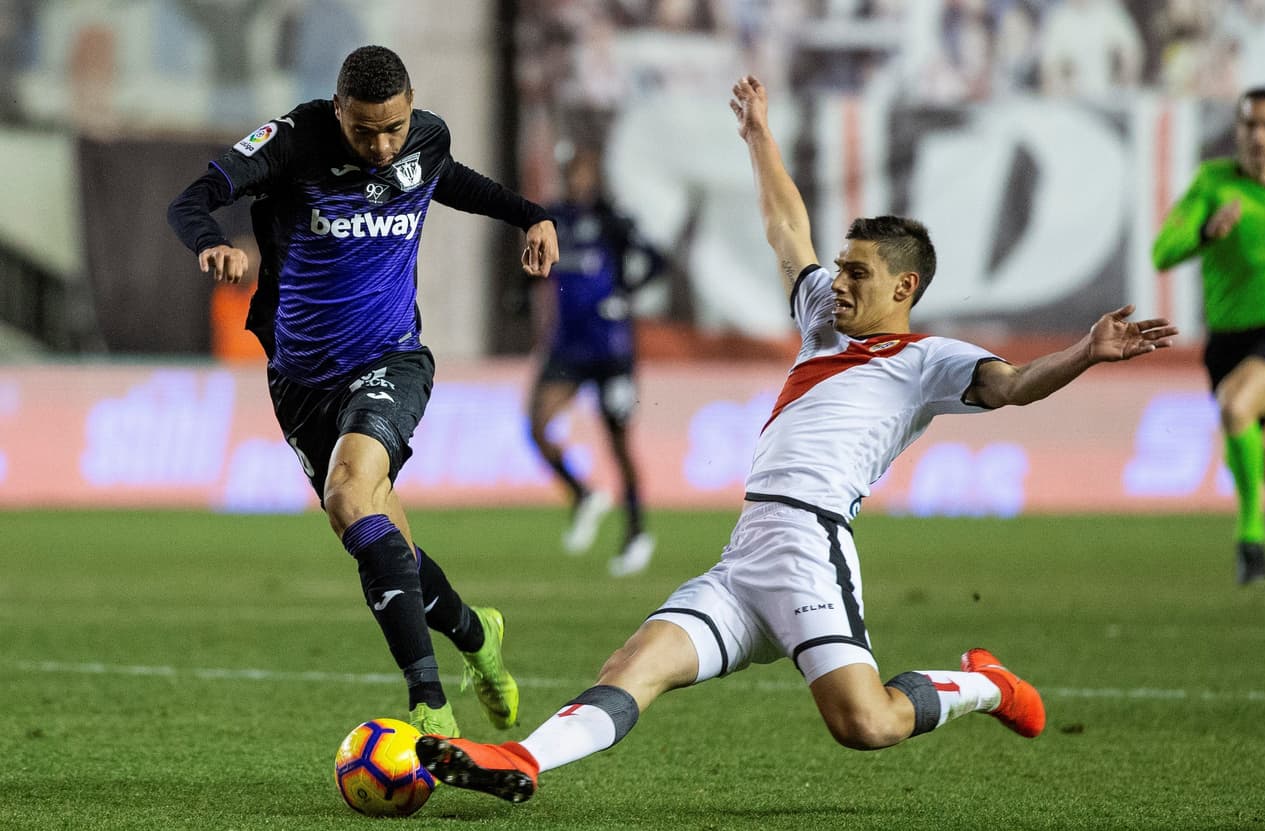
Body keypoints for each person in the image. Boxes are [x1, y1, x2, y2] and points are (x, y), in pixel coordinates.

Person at [411, 75, 1179, 802]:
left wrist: (1085, 352)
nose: (836, 280)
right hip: (748, 552)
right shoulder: (821, 320)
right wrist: (759, 134)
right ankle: (520, 759)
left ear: (904, 288)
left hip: (811, 547)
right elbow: (786, 227)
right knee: (634, 665)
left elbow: (1012, 386)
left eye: (857, 273)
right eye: (840, 266)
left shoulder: (928, 361)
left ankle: (987, 683)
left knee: (866, 724)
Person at [166, 45, 561, 737]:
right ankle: (477, 635)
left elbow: (452, 180)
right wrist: (210, 241)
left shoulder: (425, 139)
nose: (382, 146)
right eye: (364, 131)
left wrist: (532, 214)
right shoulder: (292, 141)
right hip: (299, 379)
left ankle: (430, 707)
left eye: (395, 128)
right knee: (376, 533)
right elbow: (193, 197)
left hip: (391, 359)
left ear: (410, 109)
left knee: (351, 493)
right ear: (338, 110)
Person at [1152, 86, 1265, 585]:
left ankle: (1250, 537)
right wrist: (1205, 231)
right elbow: (1164, 251)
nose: (1260, 137)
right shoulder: (1214, 182)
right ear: (1238, 131)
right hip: (1228, 341)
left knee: (1235, 406)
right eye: (1251, 126)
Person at [528, 143, 664, 577]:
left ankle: (637, 532)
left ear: (596, 176)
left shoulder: (612, 221)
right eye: (570, 173)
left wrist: (625, 293)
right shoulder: (553, 219)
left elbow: (657, 261)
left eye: (583, 173)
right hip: (567, 346)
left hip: (610, 350)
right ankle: (583, 494)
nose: (576, 181)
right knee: (536, 425)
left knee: (618, 442)